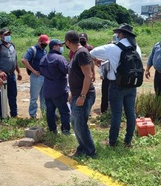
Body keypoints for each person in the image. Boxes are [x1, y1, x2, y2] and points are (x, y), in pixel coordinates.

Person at [90, 24, 142, 147]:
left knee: (116, 114)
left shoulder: (113, 48)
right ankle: (128, 140)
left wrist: (96, 60)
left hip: (117, 85)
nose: (117, 35)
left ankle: (112, 141)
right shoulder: (136, 48)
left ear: (121, 34)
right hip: (132, 85)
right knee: (131, 112)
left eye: (118, 33)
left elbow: (91, 52)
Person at [65, 30, 96, 158]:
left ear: (67, 41)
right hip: (77, 94)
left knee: (80, 124)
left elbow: (88, 76)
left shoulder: (82, 53)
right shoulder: (76, 53)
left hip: (84, 95)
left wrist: (82, 96)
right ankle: (82, 147)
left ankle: (90, 151)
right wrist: (73, 93)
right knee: (75, 122)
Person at [39, 39, 71, 135]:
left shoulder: (43, 58)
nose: (62, 47)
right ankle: (65, 131)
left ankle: (52, 131)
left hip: (48, 89)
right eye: (60, 45)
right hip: (59, 90)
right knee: (64, 112)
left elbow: (41, 72)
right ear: (54, 47)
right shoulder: (59, 58)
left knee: (50, 112)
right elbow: (67, 70)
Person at [0, 28, 22, 118]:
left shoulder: (12, 45)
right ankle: (0, 115)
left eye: (8, 34)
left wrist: (19, 71)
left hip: (12, 74)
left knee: (13, 95)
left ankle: (14, 114)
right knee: (1, 96)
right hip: (2, 76)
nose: (7, 36)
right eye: (5, 35)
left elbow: (15, 59)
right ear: (1, 36)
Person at [21, 34, 50, 118]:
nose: (45, 45)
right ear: (39, 42)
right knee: (34, 97)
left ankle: (44, 114)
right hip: (36, 77)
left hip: (44, 76)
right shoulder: (32, 50)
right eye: (44, 43)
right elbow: (24, 60)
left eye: (46, 44)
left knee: (44, 97)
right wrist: (33, 71)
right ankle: (33, 114)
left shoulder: (44, 50)